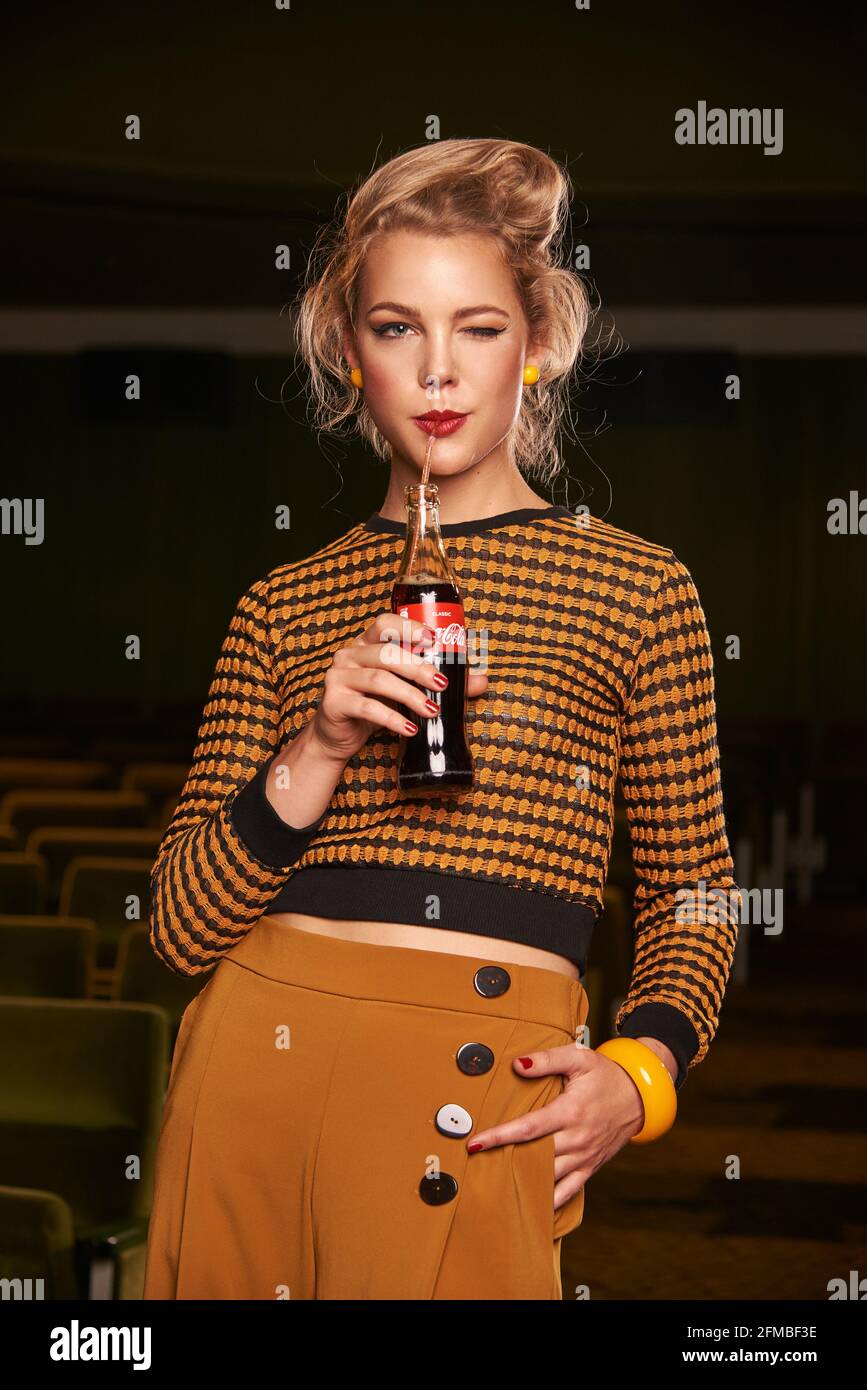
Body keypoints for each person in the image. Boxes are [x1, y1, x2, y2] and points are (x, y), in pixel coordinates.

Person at [142, 137, 740, 1301]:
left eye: (478, 326)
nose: (439, 372)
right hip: (253, 1066)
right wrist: (315, 746)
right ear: (346, 351)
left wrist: (642, 1073)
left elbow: (697, 894)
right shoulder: (280, 603)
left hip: (484, 1087)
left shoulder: (638, 587)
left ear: (539, 347)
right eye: (396, 327)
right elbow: (175, 930)